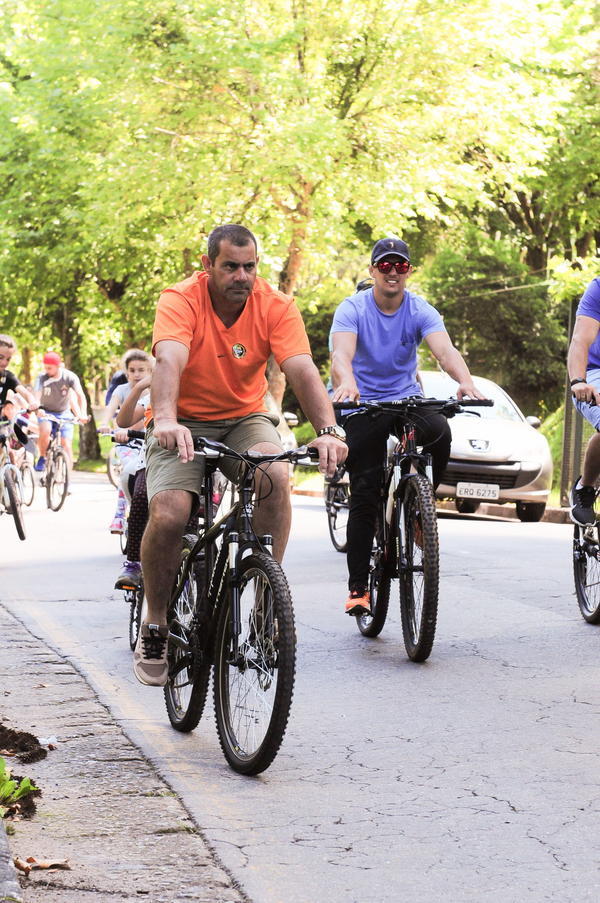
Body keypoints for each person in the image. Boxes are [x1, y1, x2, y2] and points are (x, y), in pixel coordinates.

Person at [135, 223, 347, 686]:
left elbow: (301, 369)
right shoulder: (181, 299)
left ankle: (265, 601)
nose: (241, 276)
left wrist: (329, 430)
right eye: (230, 266)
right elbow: (169, 359)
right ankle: (155, 619)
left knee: (275, 475)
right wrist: (166, 419)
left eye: (249, 266)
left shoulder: (276, 305)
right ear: (208, 265)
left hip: (243, 419)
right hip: (182, 420)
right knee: (170, 513)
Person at [330, 236, 485, 616]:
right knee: (365, 492)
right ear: (373, 271)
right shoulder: (352, 308)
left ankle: (420, 506)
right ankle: (358, 589)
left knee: (439, 430)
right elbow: (340, 355)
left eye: (400, 266)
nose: (393, 272)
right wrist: (346, 383)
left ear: (409, 271)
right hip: (361, 403)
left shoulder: (419, 309)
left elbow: (445, 351)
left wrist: (465, 381)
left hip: (403, 399)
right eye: (385, 265)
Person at [99, 349, 153, 534]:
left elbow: (142, 421)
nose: (136, 374)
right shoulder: (122, 390)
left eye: (141, 370)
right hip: (128, 442)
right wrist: (106, 423)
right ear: (126, 372)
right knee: (128, 471)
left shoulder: (153, 390)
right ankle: (119, 515)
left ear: (150, 371)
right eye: (132, 370)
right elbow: (111, 408)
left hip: (148, 441)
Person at [113, 372, 152, 590]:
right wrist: (139, 389)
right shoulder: (155, 392)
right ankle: (133, 562)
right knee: (140, 497)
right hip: (153, 458)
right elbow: (124, 420)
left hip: (195, 456)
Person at [567, 277, 600, 525]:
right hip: (596, 372)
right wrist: (578, 380)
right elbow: (581, 339)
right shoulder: (598, 288)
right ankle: (585, 488)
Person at [34, 351, 88, 472]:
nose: (47, 370)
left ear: (58, 366)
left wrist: (82, 413)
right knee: (45, 430)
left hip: (64, 412)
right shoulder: (42, 377)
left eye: (50, 368)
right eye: (45, 367)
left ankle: (67, 479)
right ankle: (42, 457)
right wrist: (38, 409)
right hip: (46, 411)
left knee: (66, 444)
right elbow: (36, 396)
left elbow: (80, 396)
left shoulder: (70, 377)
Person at [0, 335, 38, 417]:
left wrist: (32, 403)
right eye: (1, 357)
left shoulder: (8, 376)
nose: (4, 363)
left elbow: (26, 393)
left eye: (8, 359)